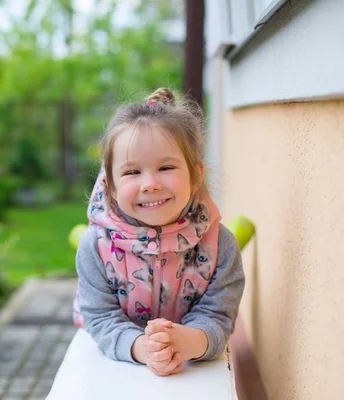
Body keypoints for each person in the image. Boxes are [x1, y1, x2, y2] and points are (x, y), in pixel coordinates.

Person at [73, 87, 245, 377]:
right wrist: (141, 347)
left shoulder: (219, 245)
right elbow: (101, 317)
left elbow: (218, 315)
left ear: (196, 175)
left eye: (166, 167)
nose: (150, 183)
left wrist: (191, 342)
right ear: (110, 186)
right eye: (132, 172)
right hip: (115, 376)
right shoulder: (95, 247)